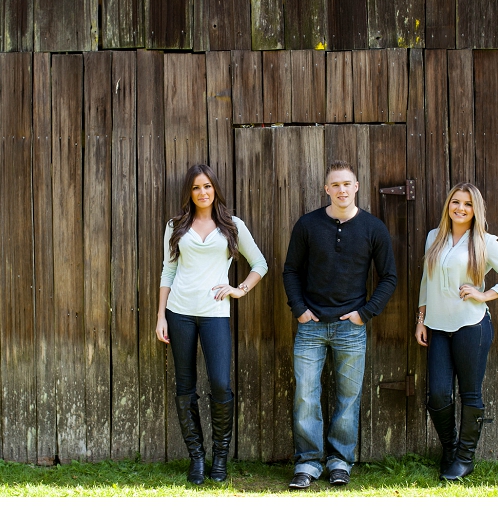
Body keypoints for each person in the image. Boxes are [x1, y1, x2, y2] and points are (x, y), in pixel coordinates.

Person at [283, 160, 397, 489]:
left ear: (356, 186)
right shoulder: (307, 225)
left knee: (348, 398)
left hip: (352, 328)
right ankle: (307, 462)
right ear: (327, 189)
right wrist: (300, 309)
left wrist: (366, 313)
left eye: (347, 184)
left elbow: (389, 277)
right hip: (311, 327)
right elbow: (290, 270)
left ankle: (339, 462)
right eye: (335, 185)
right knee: (306, 395)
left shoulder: (373, 228)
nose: (342, 190)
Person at [156, 164, 268, 485]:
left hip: (216, 314)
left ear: (215, 188)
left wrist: (239, 289)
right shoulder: (176, 226)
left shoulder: (232, 226)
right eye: (195, 188)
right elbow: (168, 271)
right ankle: (197, 459)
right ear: (188, 193)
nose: (202, 192)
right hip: (179, 313)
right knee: (185, 387)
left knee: (220, 384)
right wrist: (161, 315)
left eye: (207, 186)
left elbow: (259, 263)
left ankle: (220, 458)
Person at [415, 183, 498, 481]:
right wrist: (420, 319)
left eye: (467, 204)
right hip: (437, 327)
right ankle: (450, 450)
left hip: (472, 327)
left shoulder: (485, 242)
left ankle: (465, 458)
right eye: (455, 202)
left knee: (470, 393)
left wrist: (483, 295)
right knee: (437, 394)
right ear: (448, 205)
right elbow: (427, 280)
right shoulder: (434, 238)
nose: (460, 208)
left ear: (476, 210)